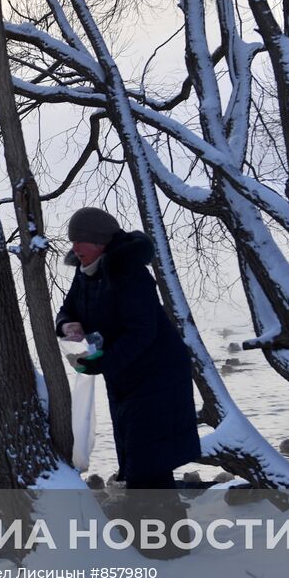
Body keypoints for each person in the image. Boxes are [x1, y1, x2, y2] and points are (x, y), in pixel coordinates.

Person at [55, 207, 201, 489]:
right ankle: (156, 528)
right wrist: (67, 325)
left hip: (157, 376)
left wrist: (103, 362)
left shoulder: (129, 273)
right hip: (125, 377)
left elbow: (142, 331)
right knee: (139, 463)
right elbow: (67, 309)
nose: (74, 247)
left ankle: (157, 529)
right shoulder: (86, 272)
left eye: (79, 240)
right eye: (72, 241)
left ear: (99, 242)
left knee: (147, 467)